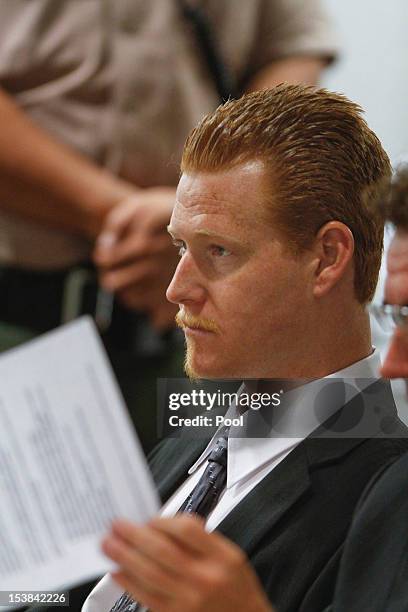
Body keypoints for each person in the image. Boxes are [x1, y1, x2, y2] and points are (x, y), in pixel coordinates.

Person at [79, 86, 408, 612]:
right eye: (180, 247)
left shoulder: (386, 492)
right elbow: (58, 596)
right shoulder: (191, 438)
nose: (176, 288)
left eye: (218, 251)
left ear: (326, 258)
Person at [0, 0, 336, 452]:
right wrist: (175, 225)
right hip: (19, 318)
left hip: (194, 330)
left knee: (208, 510)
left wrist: (195, 220)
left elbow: (290, 50)